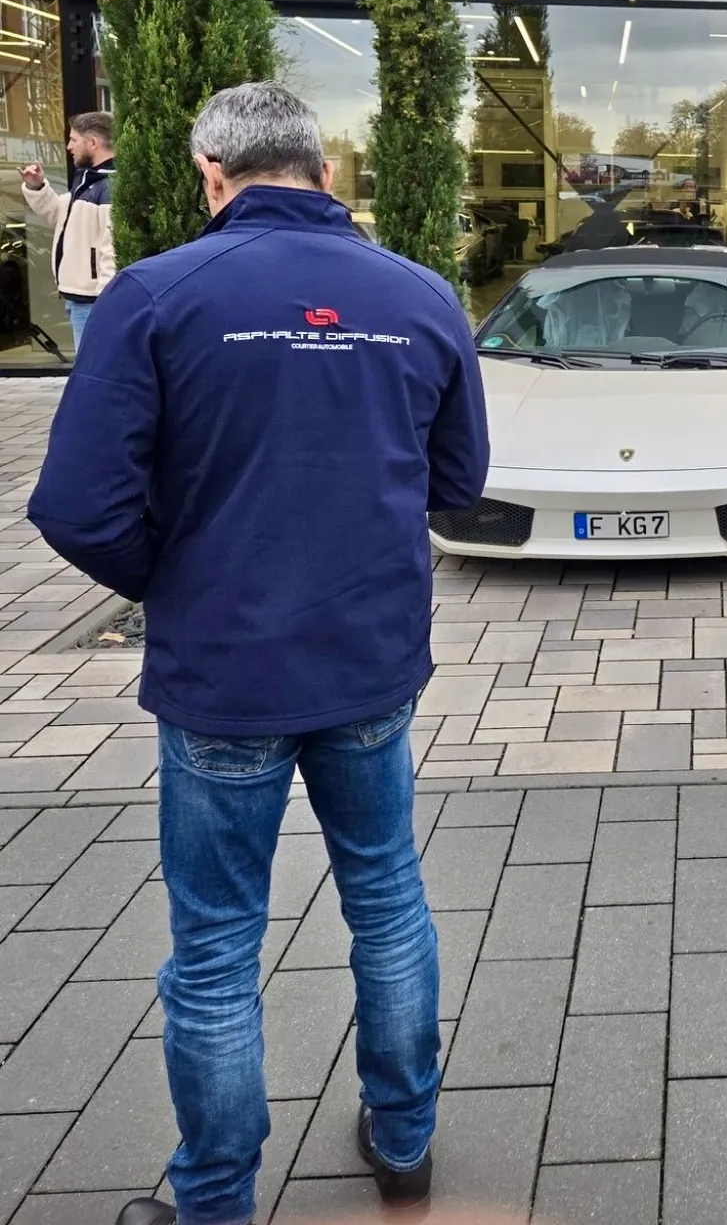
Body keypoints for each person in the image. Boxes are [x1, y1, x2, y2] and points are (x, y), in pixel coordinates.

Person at [28, 82, 489, 1225]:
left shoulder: (155, 296)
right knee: (387, 895)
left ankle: (217, 1199)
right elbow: (460, 485)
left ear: (211, 175)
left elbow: (78, 506)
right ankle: (404, 1138)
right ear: (326, 176)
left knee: (219, 943)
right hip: (368, 667)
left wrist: (182, 581)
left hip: (225, 676)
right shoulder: (421, 298)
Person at [19, 108, 116, 349]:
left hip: (93, 302)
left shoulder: (108, 186)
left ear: (92, 142)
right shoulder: (88, 181)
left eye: (73, 140)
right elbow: (57, 213)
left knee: (91, 370)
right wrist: (37, 187)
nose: (69, 147)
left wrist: (108, 302)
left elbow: (113, 249)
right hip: (80, 299)